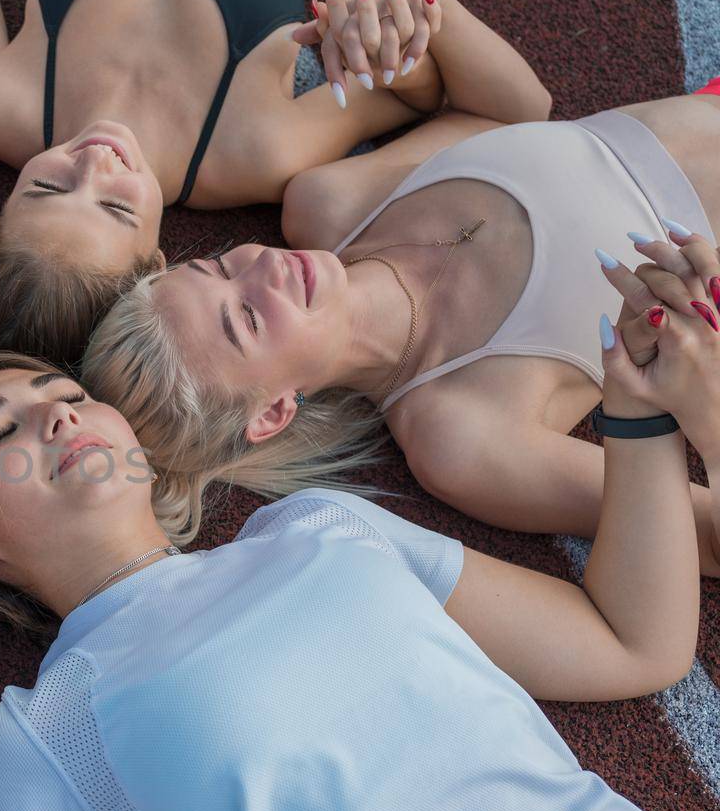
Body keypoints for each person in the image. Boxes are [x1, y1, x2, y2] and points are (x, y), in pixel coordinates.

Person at [0, 315, 719, 811]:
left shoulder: (320, 524)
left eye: (73, 395)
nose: (58, 418)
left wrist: (641, 414)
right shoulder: (40, 734)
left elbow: (631, 644)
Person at [0, 0, 551, 364]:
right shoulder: (250, 151)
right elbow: (455, 99)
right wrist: (404, 26)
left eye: (49, 188)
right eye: (115, 209)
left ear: (6, 195)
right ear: (156, 263)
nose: (94, 163)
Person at [83, 93, 720, 572]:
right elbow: (707, 537)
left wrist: (412, 14)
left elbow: (502, 108)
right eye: (245, 318)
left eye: (218, 266)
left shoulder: (326, 204)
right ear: (272, 413)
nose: (262, 267)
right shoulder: (458, 436)